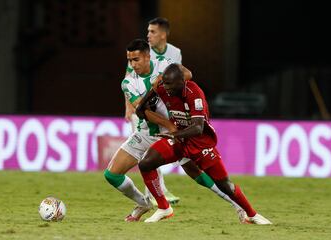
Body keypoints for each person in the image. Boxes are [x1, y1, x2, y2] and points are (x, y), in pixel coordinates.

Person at [105, 39, 245, 222]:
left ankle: (239, 206)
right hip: (146, 133)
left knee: (197, 173)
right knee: (112, 174)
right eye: (130, 60)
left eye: (136, 59)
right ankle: (144, 203)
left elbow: (188, 74)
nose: (132, 65)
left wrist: (164, 79)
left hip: (175, 133)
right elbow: (143, 111)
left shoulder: (164, 66)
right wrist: (169, 125)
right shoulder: (128, 83)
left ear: (148, 56)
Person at [136, 63, 272, 224]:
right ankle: (164, 207)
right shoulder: (163, 89)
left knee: (225, 185)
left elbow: (198, 128)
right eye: (164, 84)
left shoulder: (195, 93)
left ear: (181, 81)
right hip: (179, 140)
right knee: (146, 163)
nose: (166, 88)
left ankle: (252, 214)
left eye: (169, 84)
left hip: (201, 143)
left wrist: (174, 133)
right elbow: (139, 110)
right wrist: (151, 93)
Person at [124, 18, 184, 204]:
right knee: (148, 150)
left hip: (165, 109)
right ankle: (160, 192)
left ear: (163, 34)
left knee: (160, 151)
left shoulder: (174, 53)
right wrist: (128, 107)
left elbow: (179, 77)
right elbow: (129, 78)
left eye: (152, 32)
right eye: (148, 31)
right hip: (141, 108)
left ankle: (156, 193)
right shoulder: (137, 56)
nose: (148, 35)